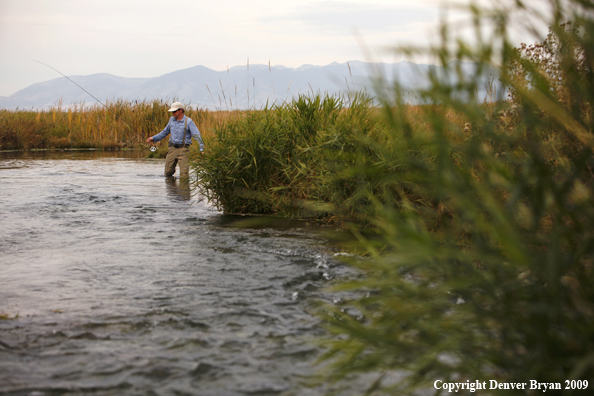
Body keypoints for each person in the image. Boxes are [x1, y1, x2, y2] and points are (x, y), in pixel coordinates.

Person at [146, 101, 204, 179]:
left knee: (184, 175)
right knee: (168, 173)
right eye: (172, 111)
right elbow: (165, 132)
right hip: (172, 149)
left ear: (181, 110)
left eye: (174, 111)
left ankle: (183, 190)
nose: (173, 113)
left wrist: (201, 149)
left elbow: (197, 135)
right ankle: (172, 190)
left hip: (184, 150)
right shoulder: (171, 120)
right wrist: (154, 138)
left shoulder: (188, 121)